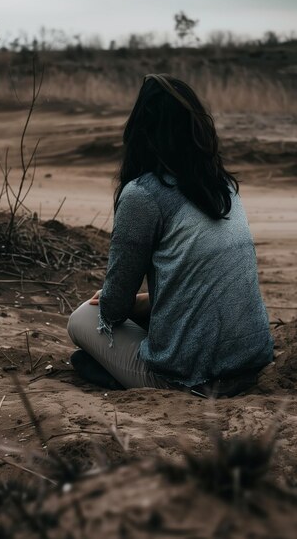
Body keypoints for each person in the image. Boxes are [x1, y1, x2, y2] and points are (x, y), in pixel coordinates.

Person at [67, 74, 274, 397]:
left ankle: (125, 375)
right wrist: (140, 304)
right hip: (251, 364)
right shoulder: (222, 187)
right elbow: (200, 282)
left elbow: (112, 310)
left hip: (192, 378)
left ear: (141, 130)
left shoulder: (143, 195)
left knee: (83, 318)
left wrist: (113, 301)